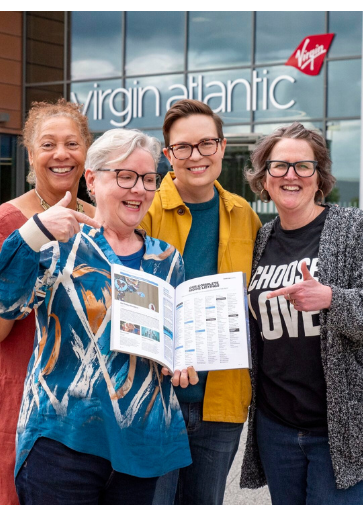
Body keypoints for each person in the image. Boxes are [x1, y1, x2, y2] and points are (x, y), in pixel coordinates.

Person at [0, 128, 192, 505]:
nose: (139, 189)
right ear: (92, 180)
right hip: (63, 441)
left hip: (142, 443)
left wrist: (184, 360)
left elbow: (177, 342)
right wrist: (35, 231)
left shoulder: (167, 259)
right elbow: (0, 302)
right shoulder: (58, 244)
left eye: (148, 179)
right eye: (125, 176)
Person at [239, 122, 363, 504]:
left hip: (344, 427)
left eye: (303, 166)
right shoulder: (263, 238)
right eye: (279, 166)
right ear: (264, 178)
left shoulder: (350, 227)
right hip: (276, 426)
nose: (290, 175)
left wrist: (331, 297)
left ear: (319, 177)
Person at [0, 99, 95, 504]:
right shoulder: (5, 223)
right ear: (31, 154)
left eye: (72, 143)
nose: (61, 154)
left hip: (79, 407)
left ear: (86, 151)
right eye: (48, 144)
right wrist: (33, 236)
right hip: (14, 398)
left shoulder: (99, 220)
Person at [141, 99, 262, 505]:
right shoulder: (144, 211)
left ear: (223, 147)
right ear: (167, 155)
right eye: (183, 147)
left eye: (206, 144)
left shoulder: (244, 215)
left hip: (222, 404)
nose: (196, 156)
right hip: (152, 400)